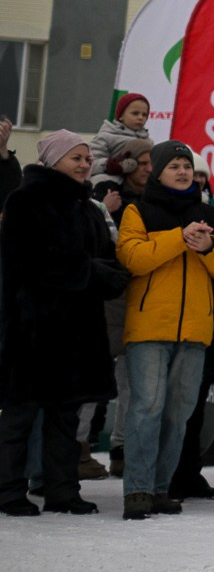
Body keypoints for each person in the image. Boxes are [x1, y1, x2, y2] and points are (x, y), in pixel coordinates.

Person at [0, 131, 126, 516]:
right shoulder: (24, 201)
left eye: (87, 157)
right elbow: (33, 264)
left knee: (65, 418)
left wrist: (99, 274)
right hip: (31, 327)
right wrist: (89, 271)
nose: (85, 163)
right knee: (19, 417)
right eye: (76, 157)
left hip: (78, 331)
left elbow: (110, 266)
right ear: (53, 161)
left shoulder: (88, 209)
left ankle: (61, 490)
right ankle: (8, 491)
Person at [115, 140, 214, 520]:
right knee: (146, 409)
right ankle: (137, 489)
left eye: (187, 165)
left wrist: (206, 248)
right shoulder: (137, 209)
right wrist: (180, 238)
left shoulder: (210, 213)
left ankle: (159, 488)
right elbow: (133, 258)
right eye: (174, 166)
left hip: (195, 332)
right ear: (158, 172)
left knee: (177, 415)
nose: (183, 171)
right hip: (150, 327)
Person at [88, 93, 152, 185]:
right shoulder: (106, 137)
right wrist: (110, 165)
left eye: (144, 115)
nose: (140, 117)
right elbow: (89, 164)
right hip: (110, 184)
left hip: (138, 187)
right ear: (120, 116)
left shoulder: (148, 142)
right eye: (135, 113)